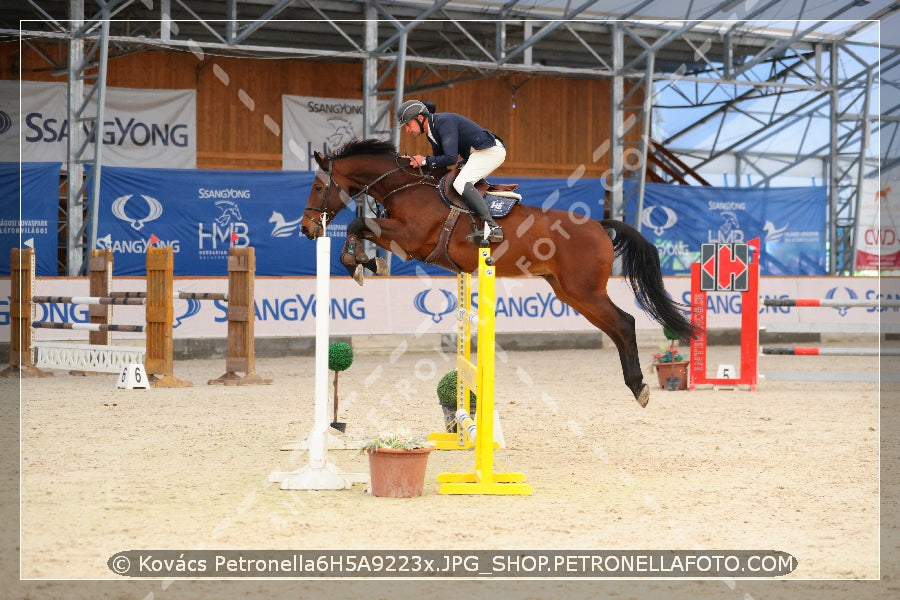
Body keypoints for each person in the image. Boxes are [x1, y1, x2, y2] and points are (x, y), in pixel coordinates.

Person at [396, 99, 505, 243]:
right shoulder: (432, 132)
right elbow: (440, 166)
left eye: (408, 124)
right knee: (450, 181)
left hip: (489, 151)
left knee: (461, 183)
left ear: (420, 118)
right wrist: (415, 163)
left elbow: (450, 158)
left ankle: (492, 227)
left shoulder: (443, 122)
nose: (407, 130)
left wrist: (423, 160)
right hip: (476, 154)